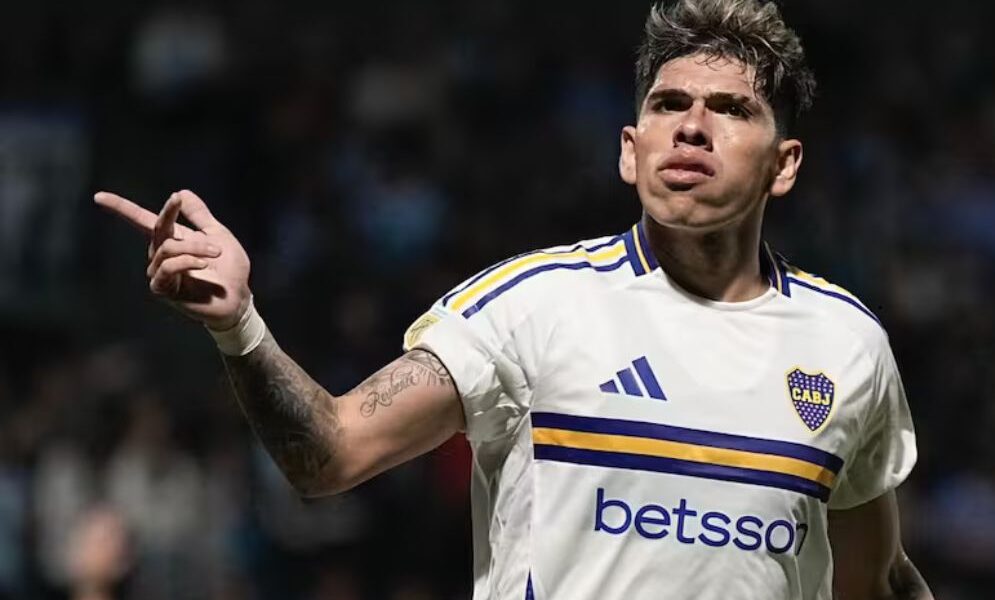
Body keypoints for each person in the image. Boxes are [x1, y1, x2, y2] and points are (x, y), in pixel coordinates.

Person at [95, 0, 934, 598]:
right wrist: (240, 325)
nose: (690, 126)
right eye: (668, 104)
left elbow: (876, 581)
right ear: (630, 150)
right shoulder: (533, 307)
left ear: (784, 164)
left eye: (730, 110)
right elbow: (333, 453)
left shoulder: (845, 345)